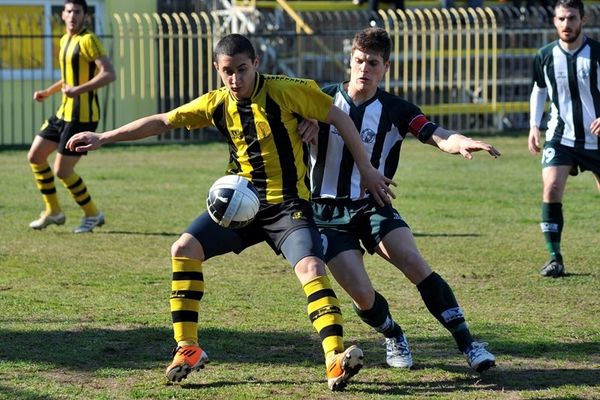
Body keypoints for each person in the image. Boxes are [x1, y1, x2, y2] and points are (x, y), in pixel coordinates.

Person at [66, 33, 395, 391]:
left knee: (312, 267)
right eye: (227, 72)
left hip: (287, 206)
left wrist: (365, 167)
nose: (236, 79)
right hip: (240, 207)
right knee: (183, 249)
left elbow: (339, 118)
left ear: (256, 63)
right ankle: (187, 348)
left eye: (242, 69)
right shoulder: (217, 103)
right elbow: (163, 121)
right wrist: (103, 137)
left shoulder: (286, 90)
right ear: (217, 70)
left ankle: (334, 357)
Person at [305, 27, 499, 372]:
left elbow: (435, 134)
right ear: (350, 60)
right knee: (362, 297)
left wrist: (460, 142)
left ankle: (469, 344)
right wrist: (300, 125)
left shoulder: (396, 108)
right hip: (327, 214)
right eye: (360, 60)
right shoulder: (318, 100)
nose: (365, 68)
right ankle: (393, 334)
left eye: (374, 63)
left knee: (413, 261)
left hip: (373, 205)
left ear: (386, 67)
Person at [27, 0, 115, 233]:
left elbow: (108, 74)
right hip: (62, 113)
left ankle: (93, 214)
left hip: (82, 116)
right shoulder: (65, 39)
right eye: (68, 11)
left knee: (62, 171)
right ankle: (53, 211)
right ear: (62, 15)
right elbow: (69, 78)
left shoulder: (89, 40)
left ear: (86, 16)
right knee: (35, 156)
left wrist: (78, 90)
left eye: (78, 11)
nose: (73, 15)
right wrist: (49, 92)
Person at [528, 0, 600, 278]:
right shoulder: (545, 55)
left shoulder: (596, 53)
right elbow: (539, 89)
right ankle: (554, 257)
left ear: (583, 19)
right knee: (551, 187)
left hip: (596, 139)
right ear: (554, 21)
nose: (566, 24)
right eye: (561, 18)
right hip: (561, 137)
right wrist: (534, 126)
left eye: (571, 18)